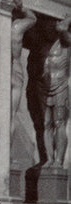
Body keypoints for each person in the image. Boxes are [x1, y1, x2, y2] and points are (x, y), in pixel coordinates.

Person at [39, 14, 71, 167]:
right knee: (46, 123)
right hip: (49, 88)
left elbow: (66, 37)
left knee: (59, 123)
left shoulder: (66, 42)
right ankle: (50, 158)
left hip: (61, 88)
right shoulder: (49, 46)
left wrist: (65, 25)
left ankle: (58, 160)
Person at [10, 0, 36, 142]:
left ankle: (2, 155)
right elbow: (33, 18)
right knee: (11, 114)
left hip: (6, 69)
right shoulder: (17, 26)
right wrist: (22, 8)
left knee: (4, 112)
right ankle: (5, 154)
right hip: (16, 69)